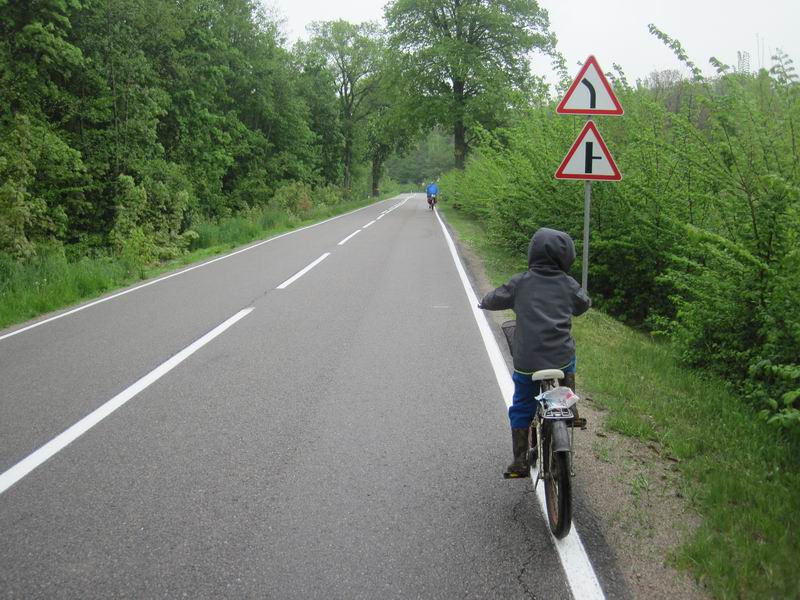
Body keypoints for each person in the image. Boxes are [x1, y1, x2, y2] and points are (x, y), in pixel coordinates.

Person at [478, 228, 591, 478]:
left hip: (528, 361)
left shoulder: (521, 282)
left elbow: (496, 298)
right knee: (569, 359)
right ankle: (569, 408)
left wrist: (484, 301)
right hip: (560, 358)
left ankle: (519, 461)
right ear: (567, 257)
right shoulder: (568, 284)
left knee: (521, 405)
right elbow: (583, 305)